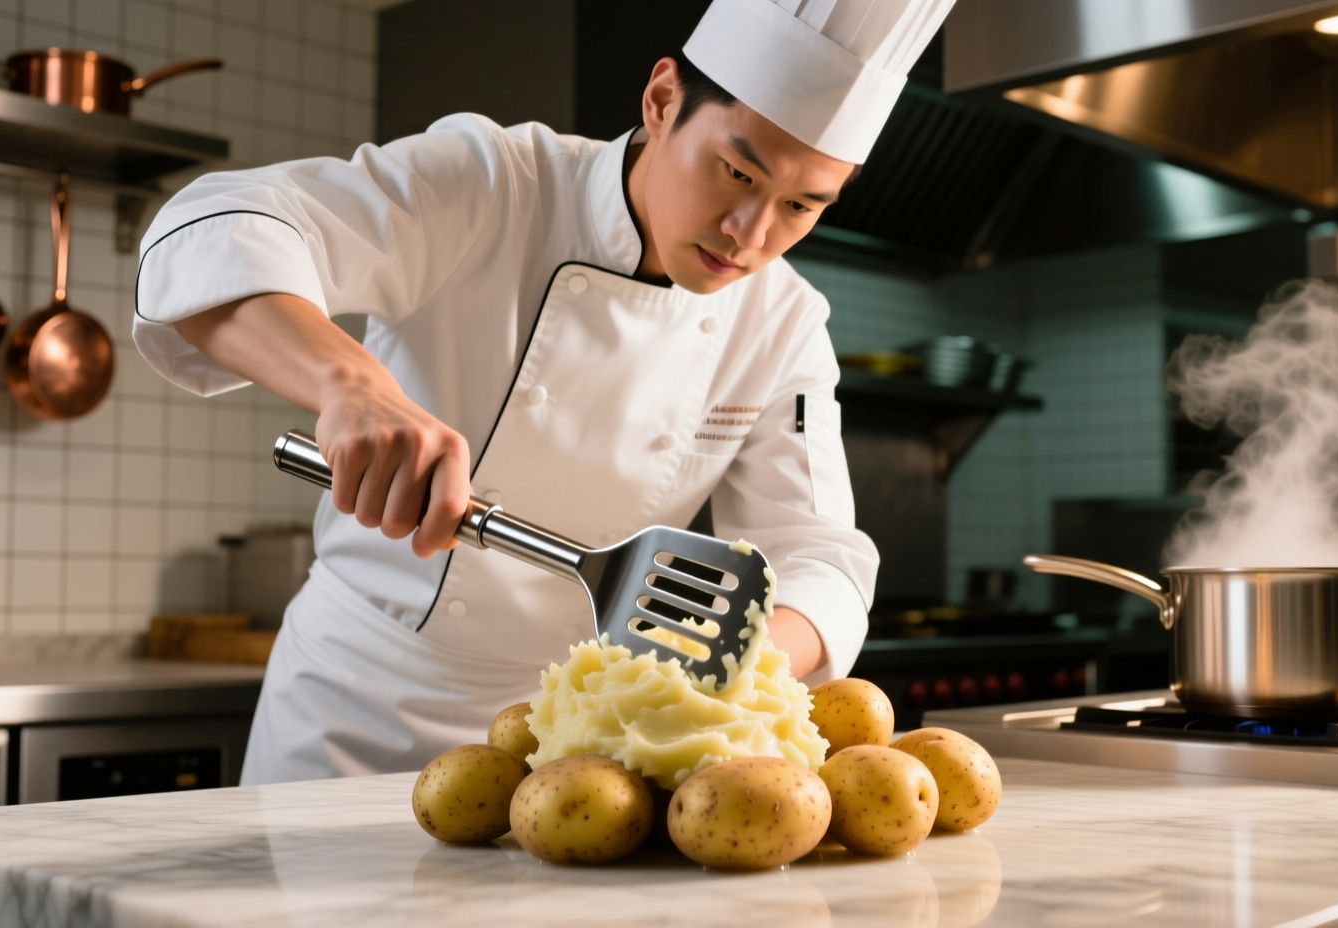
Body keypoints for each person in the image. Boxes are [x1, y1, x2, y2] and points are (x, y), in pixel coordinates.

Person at [133, 0, 956, 784]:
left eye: (803, 205)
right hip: (355, 710)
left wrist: (743, 666)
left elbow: (820, 553)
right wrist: (349, 385)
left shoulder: (785, 321)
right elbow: (211, 229)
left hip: (588, 744)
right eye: (736, 171)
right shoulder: (495, 183)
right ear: (663, 99)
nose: (753, 234)